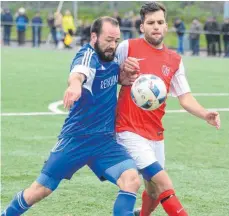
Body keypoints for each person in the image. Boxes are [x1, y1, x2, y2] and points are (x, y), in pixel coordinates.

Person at [1, 16, 141, 216]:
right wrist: (75, 85)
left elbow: (107, 77)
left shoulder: (113, 57)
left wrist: (122, 78)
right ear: (94, 36)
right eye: (108, 40)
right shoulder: (88, 54)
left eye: (116, 40)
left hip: (104, 142)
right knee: (41, 190)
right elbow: (79, 73)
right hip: (76, 140)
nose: (113, 45)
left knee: (131, 179)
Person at [115, 2, 221, 216]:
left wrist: (205, 114)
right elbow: (108, 79)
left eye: (160, 22)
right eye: (150, 22)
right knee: (164, 182)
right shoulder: (127, 47)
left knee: (153, 191)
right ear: (142, 26)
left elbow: (185, 97)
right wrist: (121, 75)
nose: (156, 26)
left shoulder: (174, 60)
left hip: (155, 133)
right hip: (128, 129)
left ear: (166, 26)